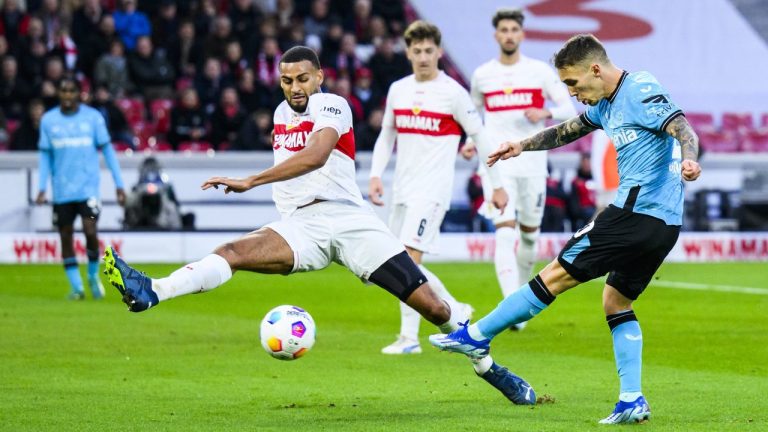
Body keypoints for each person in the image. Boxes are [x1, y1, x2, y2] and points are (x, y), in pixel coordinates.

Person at [104, 46, 535, 406]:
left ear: (320, 77)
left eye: (303, 79)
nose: (296, 88)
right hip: (302, 226)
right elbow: (298, 167)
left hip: (350, 222)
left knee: (437, 309)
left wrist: (250, 180)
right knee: (232, 253)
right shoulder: (279, 113)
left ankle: (487, 368)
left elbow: (314, 156)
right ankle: (154, 291)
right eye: (288, 81)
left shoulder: (333, 105)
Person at [429, 33, 702, 424]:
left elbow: (682, 127)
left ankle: (477, 336)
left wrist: (690, 160)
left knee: (554, 273)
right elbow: (567, 130)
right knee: (616, 302)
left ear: (595, 69)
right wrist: (521, 145)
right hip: (663, 224)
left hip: (634, 213)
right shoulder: (606, 105)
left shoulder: (640, 87)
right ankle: (631, 400)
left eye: (573, 83)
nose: (572, 92)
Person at [368, 21, 508, 355]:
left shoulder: (453, 94)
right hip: (401, 188)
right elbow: (386, 135)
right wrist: (375, 175)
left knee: (407, 259)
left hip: (432, 191)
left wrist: (497, 186)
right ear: (408, 53)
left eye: (429, 50)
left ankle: (409, 338)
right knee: (393, 259)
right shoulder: (398, 90)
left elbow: (481, 136)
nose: (423, 57)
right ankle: (456, 310)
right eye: (416, 51)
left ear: (439, 52)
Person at [461, 8, 576, 330]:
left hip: (533, 163)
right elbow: (473, 116)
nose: (509, 35)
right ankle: (512, 306)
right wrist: (472, 141)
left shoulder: (538, 71)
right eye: (504, 30)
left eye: (514, 29)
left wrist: (546, 112)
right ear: (496, 35)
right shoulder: (483, 75)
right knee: (504, 232)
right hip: (497, 164)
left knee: (529, 238)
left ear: (521, 34)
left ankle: (519, 301)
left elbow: (568, 107)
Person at [36, 77, 126, 300]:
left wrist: (119, 184)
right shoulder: (49, 120)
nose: (67, 95)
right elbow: (45, 156)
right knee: (65, 236)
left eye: (71, 91)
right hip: (62, 191)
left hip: (88, 190)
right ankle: (77, 288)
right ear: (58, 94)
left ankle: (93, 275)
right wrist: (41, 186)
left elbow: (108, 151)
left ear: (79, 93)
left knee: (90, 230)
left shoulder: (93, 118)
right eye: (63, 91)